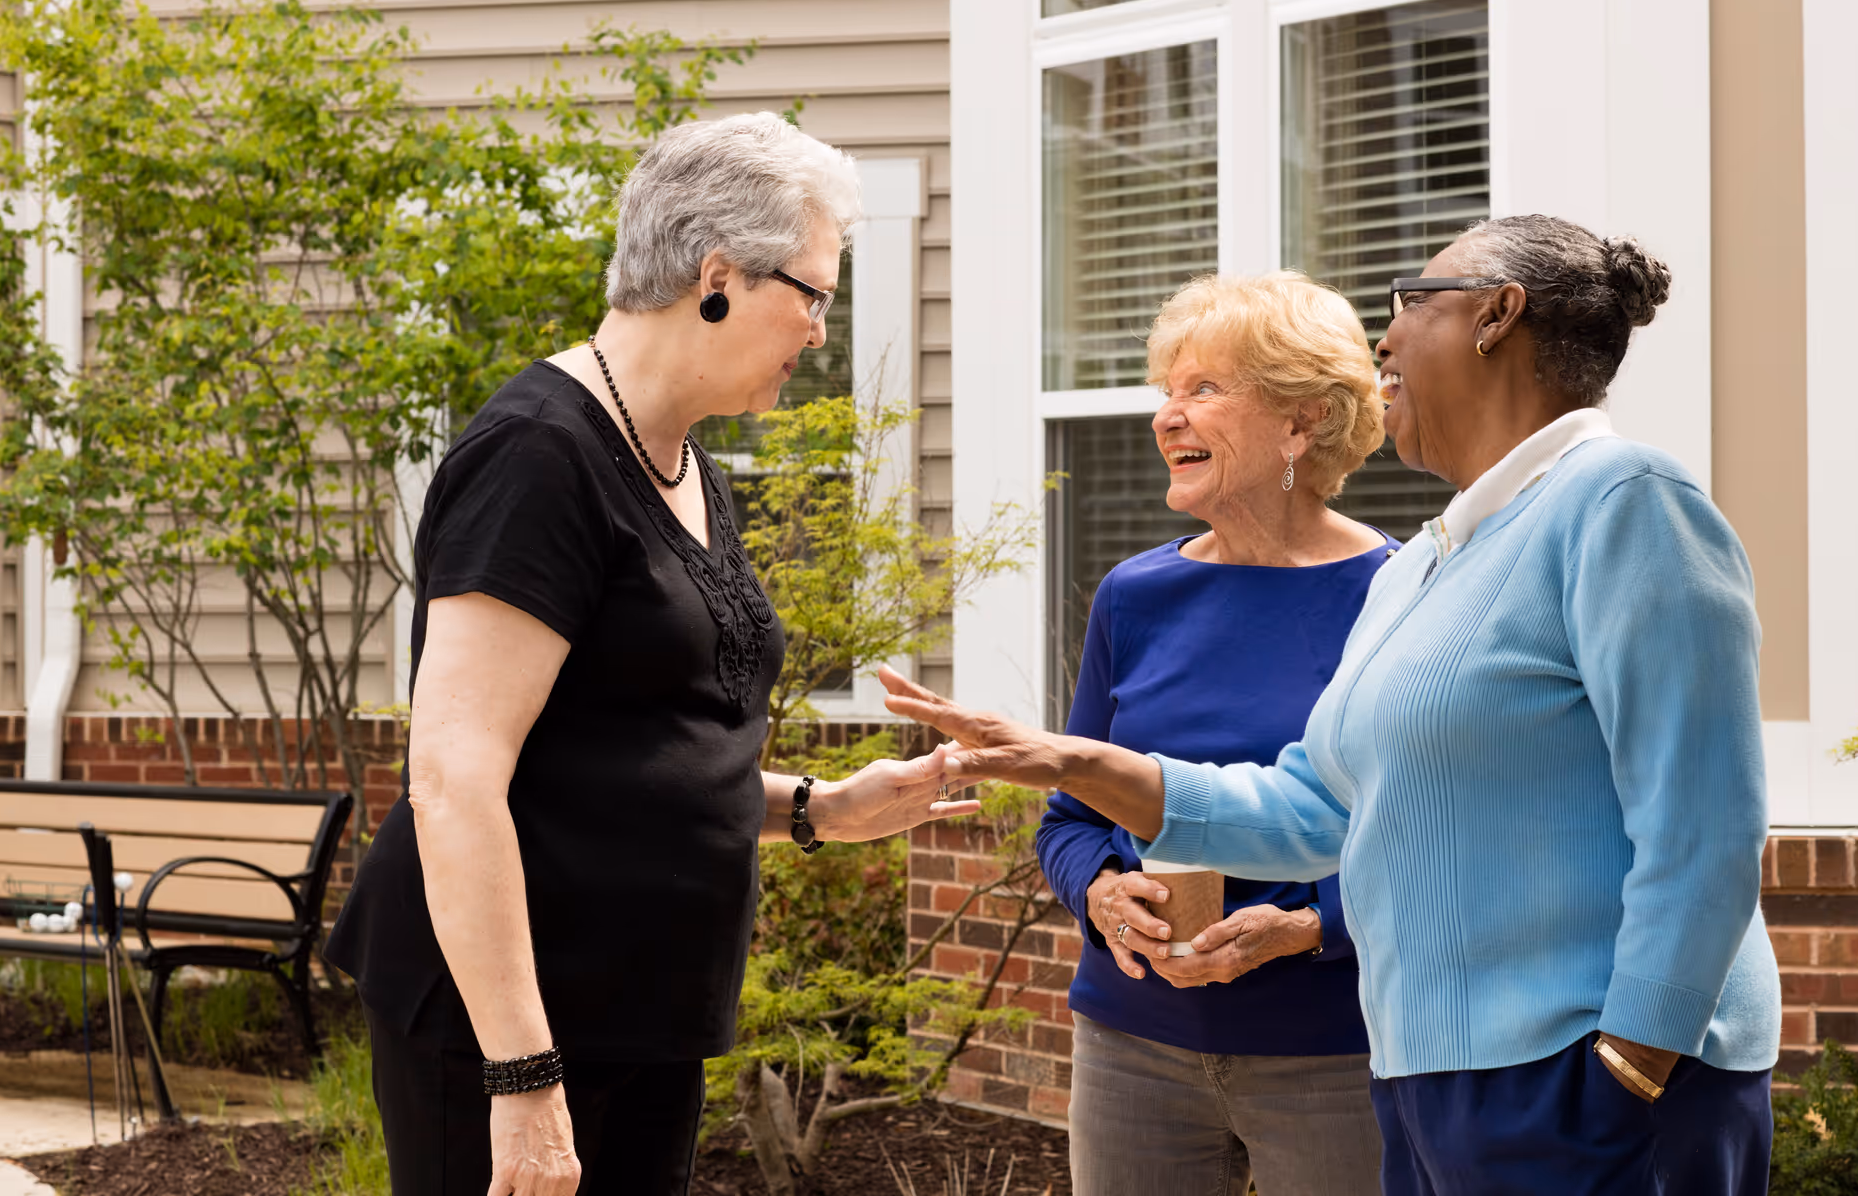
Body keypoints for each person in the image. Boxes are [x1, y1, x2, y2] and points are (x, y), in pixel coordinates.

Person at [881, 215, 1779, 1196]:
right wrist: (1067, 760)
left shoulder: (1622, 500)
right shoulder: (1435, 563)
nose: (1383, 340)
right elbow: (1309, 808)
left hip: (1569, 1080)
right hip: (1431, 1085)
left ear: (1495, 316)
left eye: (1409, 304)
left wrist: (1633, 1061)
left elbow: (1704, 825)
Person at [324, 112, 979, 1196]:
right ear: (716, 273)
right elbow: (452, 774)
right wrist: (524, 1074)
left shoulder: (680, 459)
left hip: (642, 1015)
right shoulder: (539, 453)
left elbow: (624, 753)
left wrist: (821, 805)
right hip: (518, 1026)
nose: (821, 329)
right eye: (811, 293)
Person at [1037, 272, 1391, 1194]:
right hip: (1128, 1042)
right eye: (1167, 390)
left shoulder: (1400, 598)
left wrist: (1312, 927)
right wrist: (1101, 895)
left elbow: (1437, 839)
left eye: (1203, 389)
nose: (1167, 416)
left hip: (1334, 1054)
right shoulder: (1135, 596)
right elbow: (1069, 821)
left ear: (1301, 422)